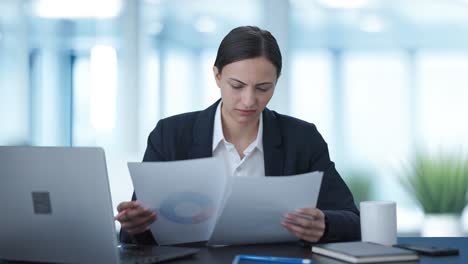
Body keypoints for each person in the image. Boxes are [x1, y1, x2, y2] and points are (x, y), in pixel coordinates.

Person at [116, 26, 360, 245]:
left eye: (263, 88)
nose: (249, 100)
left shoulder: (302, 139)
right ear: (217, 76)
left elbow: (352, 220)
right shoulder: (170, 135)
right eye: (237, 86)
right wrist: (136, 225)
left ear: (277, 81)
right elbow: (132, 235)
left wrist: (324, 224)